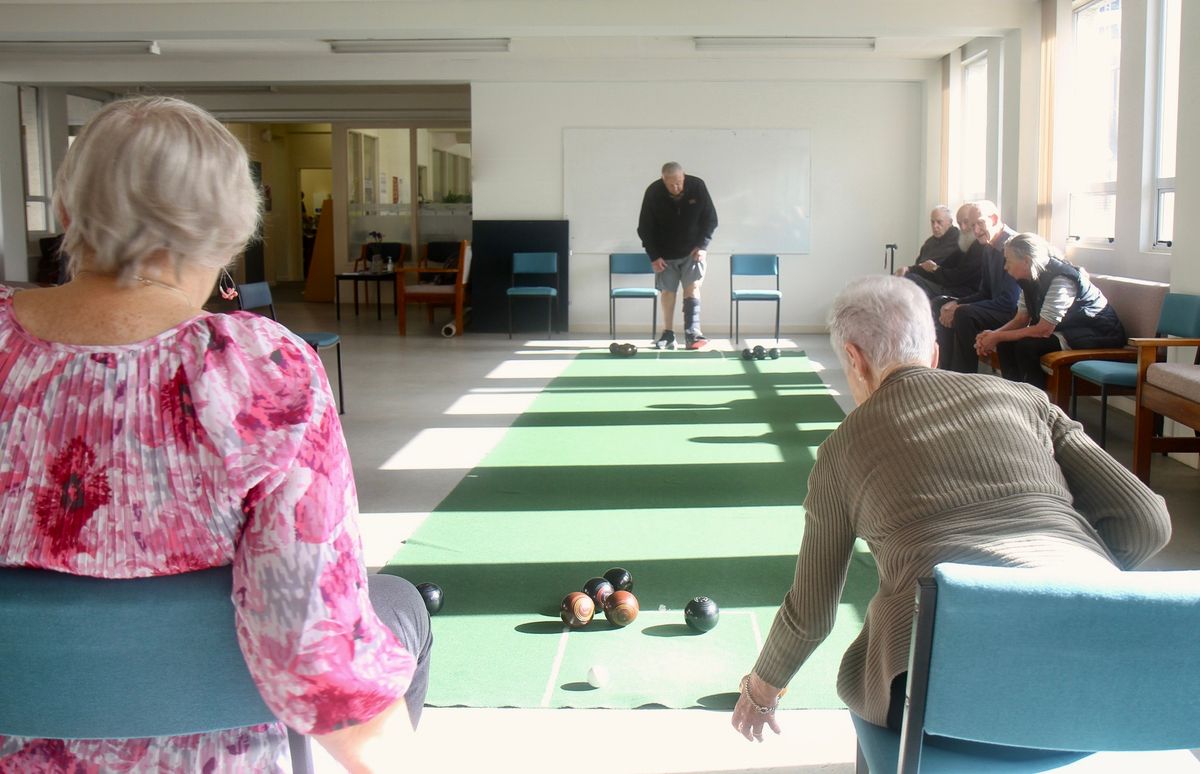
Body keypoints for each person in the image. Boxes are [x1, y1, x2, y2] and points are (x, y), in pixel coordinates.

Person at [0, 97, 431, 773]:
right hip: (210, 757)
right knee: (400, 607)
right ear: (231, 232)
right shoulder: (262, 371)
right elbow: (315, 653)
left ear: (65, 215)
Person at [730, 274, 1170, 743]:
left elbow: (813, 612)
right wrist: (1067, 580)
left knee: (880, 674)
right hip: (1102, 695)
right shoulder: (1027, 400)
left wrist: (761, 690)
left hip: (948, 706)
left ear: (855, 361)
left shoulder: (839, 452)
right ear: (935, 351)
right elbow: (1148, 521)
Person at [975, 232, 1126, 388]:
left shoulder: (1062, 279)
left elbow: (1043, 330)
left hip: (1099, 333)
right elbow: (1021, 319)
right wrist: (994, 335)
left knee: (1027, 346)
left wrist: (998, 336)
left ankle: (1035, 404)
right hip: (1070, 329)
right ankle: (1015, 399)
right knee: (1005, 343)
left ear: (1026, 261)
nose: (1005, 267)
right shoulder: (1028, 279)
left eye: (1008, 261)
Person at [637, 161, 718, 350]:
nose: (677, 187)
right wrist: (654, 256)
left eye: (680, 182)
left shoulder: (697, 186)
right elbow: (645, 228)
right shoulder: (653, 192)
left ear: (684, 176)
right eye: (672, 184)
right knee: (668, 291)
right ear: (663, 180)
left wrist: (702, 245)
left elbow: (711, 219)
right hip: (665, 254)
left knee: (692, 287)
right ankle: (668, 334)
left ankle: (693, 332)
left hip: (693, 251)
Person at [936, 200, 1019, 372]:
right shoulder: (988, 246)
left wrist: (962, 306)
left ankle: (963, 380)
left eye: (980, 223)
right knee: (942, 304)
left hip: (1013, 314)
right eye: (972, 225)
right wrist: (955, 303)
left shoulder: (1013, 246)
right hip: (996, 307)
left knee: (964, 314)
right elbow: (985, 292)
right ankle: (945, 372)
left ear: (994, 219)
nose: (975, 231)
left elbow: (1009, 302)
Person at [904, 203, 983, 301]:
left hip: (964, 291)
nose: (962, 227)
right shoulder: (963, 243)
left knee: (912, 281)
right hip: (950, 285)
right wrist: (909, 269)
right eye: (959, 223)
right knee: (906, 278)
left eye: (966, 222)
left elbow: (958, 276)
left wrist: (935, 269)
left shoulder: (977, 244)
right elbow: (946, 265)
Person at [894, 205, 959, 288]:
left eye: (939, 222)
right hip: (922, 279)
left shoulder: (958, 241)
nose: (935, 226)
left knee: (908, 280)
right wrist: (907, 269)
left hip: (942, 284)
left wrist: (910, 269)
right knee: (894, 278)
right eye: (932, 222)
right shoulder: (929, 243)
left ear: (950, 222)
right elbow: (918, 265)